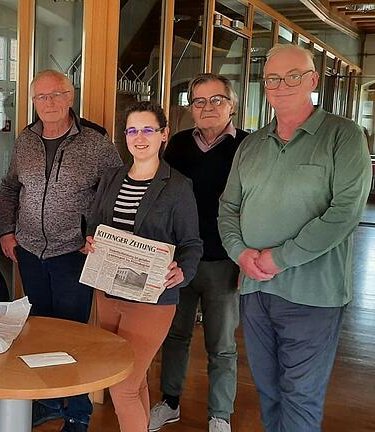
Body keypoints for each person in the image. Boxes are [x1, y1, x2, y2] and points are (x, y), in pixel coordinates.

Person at [218, 44, 372, 432]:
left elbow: (344, 214)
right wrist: (240, 253)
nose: (281, 85)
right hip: (254, 291)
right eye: (273, 78)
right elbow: (228, 208)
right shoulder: (251, 145)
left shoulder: (344, 136)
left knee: (301, 395)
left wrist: (278, 258)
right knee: (268, 391)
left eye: (293, 76)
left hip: (313, 295)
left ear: (312, 81)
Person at [0, 69, 122, 432]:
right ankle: (49, 401)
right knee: (39, 331)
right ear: (33, 102)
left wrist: (96, 234)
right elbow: (8, 189)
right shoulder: (25, 140)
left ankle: (78, 411)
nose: (48, 103)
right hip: (30, 253)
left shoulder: (96, 142)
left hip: (74, 254)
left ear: (70, 97)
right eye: (41, 97)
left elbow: (115, 194)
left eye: (56, 95)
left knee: (74, 335)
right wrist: (7, 231)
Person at [82, 101, 202, 432]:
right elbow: (93, 225)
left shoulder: (177, 185)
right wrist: (90, 241)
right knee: (133, 383)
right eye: (133, 130)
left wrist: (183, 271)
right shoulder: (112, 177)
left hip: (153, 299)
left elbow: (192, 243)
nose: (140, 137)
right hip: (108, 292)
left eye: (148, 129)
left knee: (121, 384)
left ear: (163, 135)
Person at [150, 73, 248, 432]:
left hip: (225, 260)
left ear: (232, 105)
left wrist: (245, 258)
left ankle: (219, 415)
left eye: (216, 100)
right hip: (178, 261)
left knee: (221, 344)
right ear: (190, 108)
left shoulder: (248, 147)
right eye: (199, 101)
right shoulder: (176, 145)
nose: (207, 108)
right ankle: (170, 402)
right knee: (175, 336)